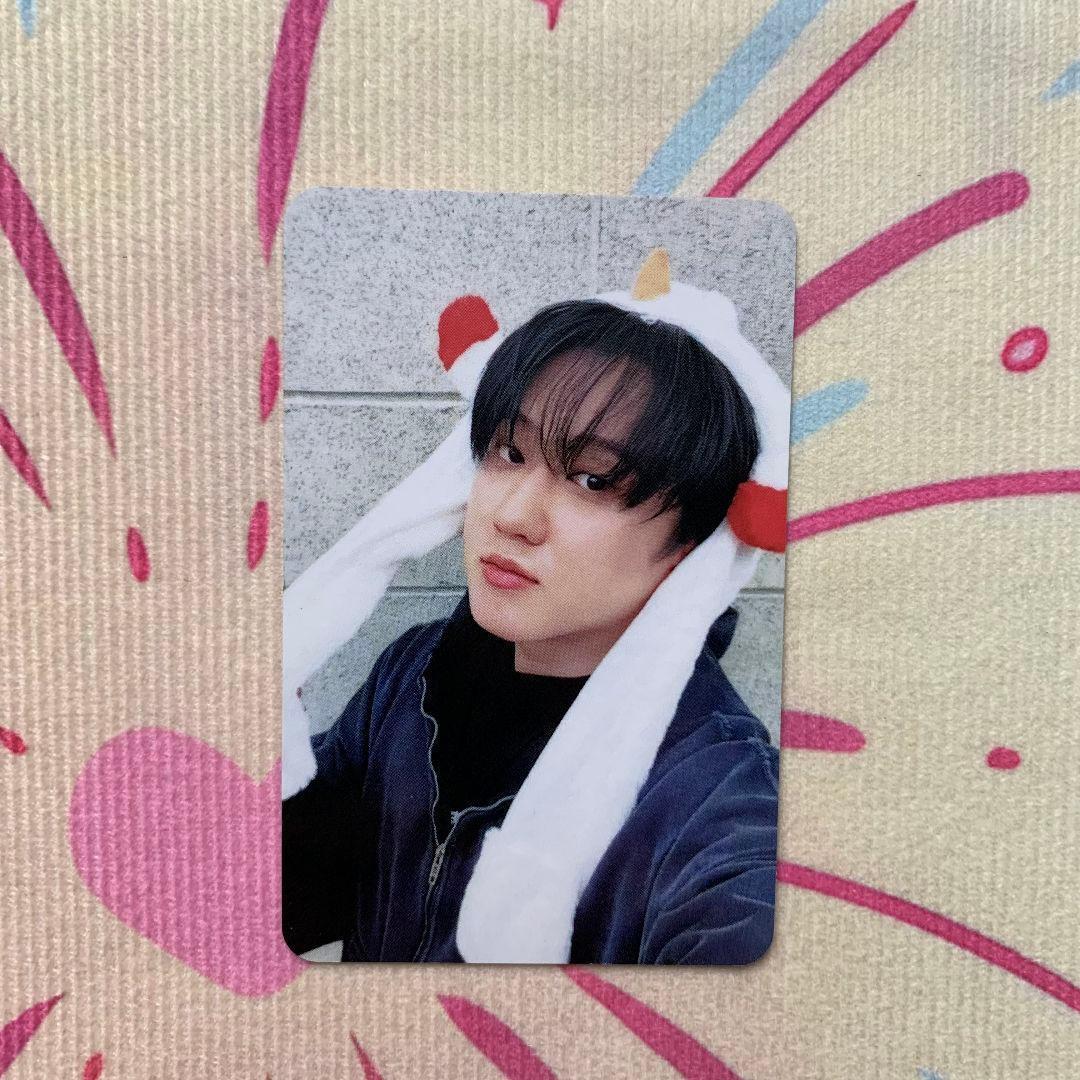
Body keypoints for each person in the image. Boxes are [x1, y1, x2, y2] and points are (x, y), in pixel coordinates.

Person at [281, 249, 789, 965]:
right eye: (508, 452)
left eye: (592, 479)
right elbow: (286, 898)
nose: (513, 516)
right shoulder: (415, 674)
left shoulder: (718, 796)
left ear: (691, 542)